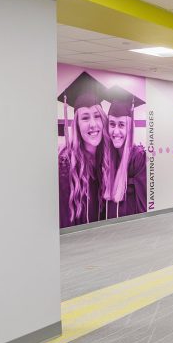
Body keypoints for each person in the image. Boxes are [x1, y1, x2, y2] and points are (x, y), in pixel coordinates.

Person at [58, 72, 112, 228]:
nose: (93, 124)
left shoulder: (107, 160)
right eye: (85, 117)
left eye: (97, 116)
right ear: (76, 124)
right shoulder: (66, 165)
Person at [103, 86, 147, 219]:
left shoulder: (138, 158)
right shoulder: (107, 158)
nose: (116, 132)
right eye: (112, 124)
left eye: (121, 125)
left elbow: (143, 207)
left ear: (130, 127)